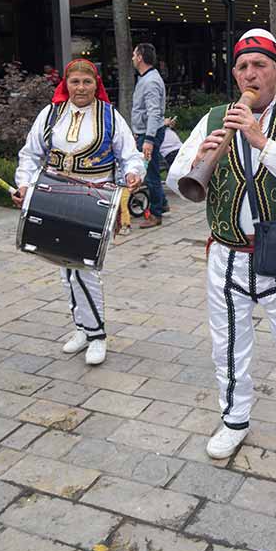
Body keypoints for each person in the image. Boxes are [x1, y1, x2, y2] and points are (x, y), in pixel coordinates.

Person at [167, 28, 276, 460]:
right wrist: (199, 156)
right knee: (228, 343)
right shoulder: (215, 116)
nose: (250, 74)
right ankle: (234, 420)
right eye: (242, 67)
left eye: (260, 65)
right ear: (235, 74)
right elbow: (176, 179)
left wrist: (261, 140)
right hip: (225, 253)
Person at [14, 59, 144, 365]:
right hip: (55, 199)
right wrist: (25, 184)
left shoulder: (110, 117)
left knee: (84, 269)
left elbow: (130, 155)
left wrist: (133, 173)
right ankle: (83, 329)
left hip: (94, 201)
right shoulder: (50, 114)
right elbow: (30, 154)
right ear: (66, 84)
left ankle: (97, 335)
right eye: (75, 82)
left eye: (87, 82)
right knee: (66, 269)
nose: (81, 88)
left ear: (96, 84)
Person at [131, 43, 166, 228]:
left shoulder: (150, 81)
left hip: (149, 133)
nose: (132, 58)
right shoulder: (146, 78)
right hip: (146, 132)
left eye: (134, 54)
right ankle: (163, 204)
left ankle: (155, 214)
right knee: (151, 169)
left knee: (150, 174)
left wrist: (149, 140)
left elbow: (154, 112)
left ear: (140, 57)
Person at [159, 117, 183, 214]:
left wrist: (169, 125)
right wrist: (164, 125)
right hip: (169, 152)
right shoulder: (157, 126)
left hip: (180, 148)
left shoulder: (166, 126)